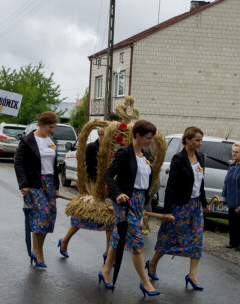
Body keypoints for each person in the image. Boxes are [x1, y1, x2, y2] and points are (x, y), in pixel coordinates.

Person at [100, 120, 160, 297]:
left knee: (119, 235)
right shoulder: (124, 153)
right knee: (136, 240)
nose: (151, 141)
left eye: (152, 138)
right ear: (138, 135)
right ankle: (145, 282)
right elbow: (108, 175)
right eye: (148, 138)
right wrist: (117, 193)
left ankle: (105, 270)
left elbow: (145, 181)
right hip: (125, 200)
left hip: (139, 201)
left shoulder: (146, 155)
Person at [146, 126, 209, 291]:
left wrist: (204, 202)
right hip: (180, 206)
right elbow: (171, 186)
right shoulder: (178, 159)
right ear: (187, 140)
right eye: (197, 140)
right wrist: (167, 210)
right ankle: (152, 263)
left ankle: (192, 275)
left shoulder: (201, 157)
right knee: (169, 237)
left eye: (201, 140)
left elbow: (200, 183)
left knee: (197, 239)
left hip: (195, 207)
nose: (200, 144)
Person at [58, 128, 113, 261]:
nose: (105, 140)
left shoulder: (110, 150)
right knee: (83, 217)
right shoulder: (91, 147)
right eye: (103, 136)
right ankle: (65, 240)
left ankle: (108, 253)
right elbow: (86, 168)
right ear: (99, 135)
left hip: (106, 186)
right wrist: (90, 185)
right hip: (91, 186)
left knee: (110, 219)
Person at [15, 112, 60, 267]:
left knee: (49, 218)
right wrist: (23, 184)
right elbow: (18, 162)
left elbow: (54, 166)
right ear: (41, 124)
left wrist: (57, 186)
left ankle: (36, 249)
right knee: (42, 215)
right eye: (50, 127)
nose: (52, 130)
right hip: (34, 183)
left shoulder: (52, 141)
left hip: (50, 183)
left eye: (54, 127)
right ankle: (39, 251)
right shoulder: (28, 141)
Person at [220, 142, 240, 251]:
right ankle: (232, 242)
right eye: (233, 151)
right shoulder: (232, 165)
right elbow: (226, 182)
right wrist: (223, 197)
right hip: (231, 199)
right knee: (232, 221)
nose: (234, 154)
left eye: (237, 152)